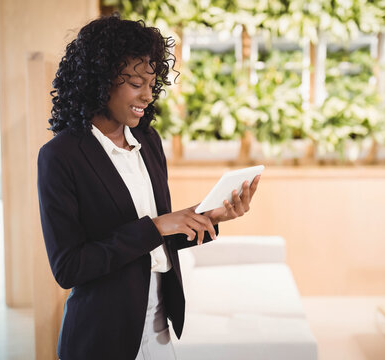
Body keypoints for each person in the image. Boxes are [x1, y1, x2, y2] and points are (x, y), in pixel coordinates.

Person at [37, 14, 260, 360]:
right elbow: (68, 267)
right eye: (136, 83)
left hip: (158, 330)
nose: (148, 95)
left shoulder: (148, 141)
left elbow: (154, 244)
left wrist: (211, 217)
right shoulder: (61, 156)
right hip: (101, 338)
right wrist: (155, 226)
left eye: (152, 83)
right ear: (101, 80)